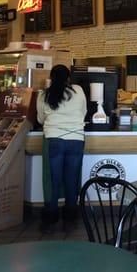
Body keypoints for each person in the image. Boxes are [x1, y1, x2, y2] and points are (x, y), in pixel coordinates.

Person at [37, 65, 86, 233]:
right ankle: (70, 220)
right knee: (72, 179)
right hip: (76, 140)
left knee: (52, 180)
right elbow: (84, 112)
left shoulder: (44, 94)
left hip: (53, 139)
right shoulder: (78, 91)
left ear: (51, 77)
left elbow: (40, 118)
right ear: (69, 78)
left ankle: (50, 220)